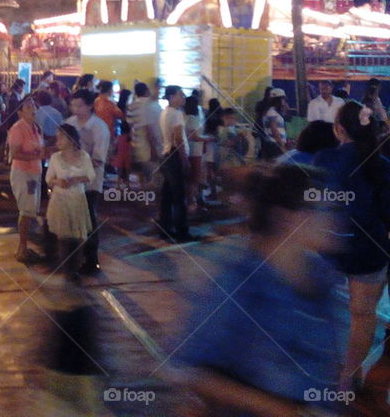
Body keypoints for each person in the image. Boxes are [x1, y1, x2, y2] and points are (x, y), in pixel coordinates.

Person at [175, 164, 342, 415]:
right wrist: (283, 411)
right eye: (322, 210)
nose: (333, 219)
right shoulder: (239, 282)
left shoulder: (322, 279)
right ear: (288, 218)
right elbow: (190, 371)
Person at [314, 100, 390, 391]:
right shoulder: (381, 165)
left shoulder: (323, 159)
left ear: (339, 129)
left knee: (323, 307)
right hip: (368, 250)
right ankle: (350, 375)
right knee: (363, 313)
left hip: (329, 247)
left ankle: (323, 366)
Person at [66, 89, 110, 273]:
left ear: (90, 105)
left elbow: (98, 159)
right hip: (68, 182)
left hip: (89, 183)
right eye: (73, 105)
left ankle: (91, 260)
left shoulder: (99, 128)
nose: (75, 109)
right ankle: (72, 258)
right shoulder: (69, 123)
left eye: (79, 105)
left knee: (89, 221)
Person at [45, 124, 94, 283]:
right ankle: (68, 271)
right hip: (60, 200)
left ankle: (75, 268)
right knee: (64, 237)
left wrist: (76, 179)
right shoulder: (55, 158)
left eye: (61, 136)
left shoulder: (84, 156)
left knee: (78, 237)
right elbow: (48, 179)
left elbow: (90, 176)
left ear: (71, 140)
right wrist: (58, 181)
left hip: (77, 199)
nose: (57, 140)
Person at [8, 97, 44, 263]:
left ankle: (24, 247)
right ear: (20, 112)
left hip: (34, 173)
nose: (33, 109)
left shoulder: (36, 127)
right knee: (26, 211)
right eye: (28, 107)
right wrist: (37, 155)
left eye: (34, 106)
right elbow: (15, 153)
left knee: (30, 211)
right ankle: (21, 248)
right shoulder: (17, 128)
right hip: (24, 174)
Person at [158, 85, 195, 242]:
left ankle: (164, 229)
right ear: (172, 97)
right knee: (179, 197)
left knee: (167, 196)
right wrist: (185, 160)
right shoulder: (177, 114)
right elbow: (178, 138)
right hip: (174, 156)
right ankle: (182, 232)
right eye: (180, 95)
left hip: (166, 155)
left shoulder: (165, 112)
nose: (183, 98)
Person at [128, 82, 163, 189]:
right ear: (147, 91)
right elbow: (149, 128)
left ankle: (144, 197)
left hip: (138, 143)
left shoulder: (131, 106)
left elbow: (131, 125)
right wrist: (153, 148)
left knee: (142, 173)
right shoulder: (152, 105)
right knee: (156, 175)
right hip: (152, 144)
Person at [260, 88, 288, 159]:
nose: (284, 101)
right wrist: (281, 144)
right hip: (275, 144)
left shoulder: (272, 111)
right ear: (279, 100)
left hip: (273, 144)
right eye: (283, 99)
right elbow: (274, 129)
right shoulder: (272, 112)